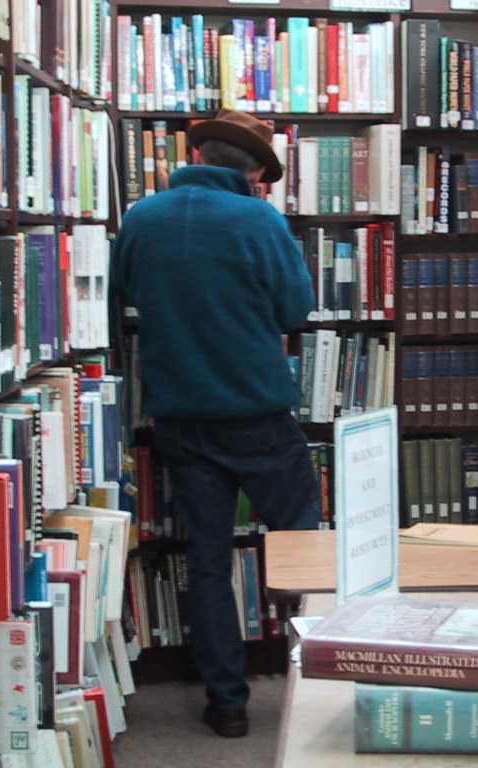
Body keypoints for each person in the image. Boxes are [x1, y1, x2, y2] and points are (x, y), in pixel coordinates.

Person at [110, 109, 321, 738]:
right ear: (256, 172)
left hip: (180, 417)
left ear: (195, 155)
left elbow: (124, 294)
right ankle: (320, 682)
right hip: (258, 415)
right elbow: (296, 310)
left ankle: (227, 704)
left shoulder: (142, 218)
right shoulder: (261, 219)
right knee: (310, 555)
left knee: (206, 564)